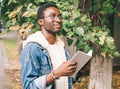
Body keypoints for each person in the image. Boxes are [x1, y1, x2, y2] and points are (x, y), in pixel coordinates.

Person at [20, 2, 78, 89]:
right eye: (52, 16)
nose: (58, 20)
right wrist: (55, 74)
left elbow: (66, 79)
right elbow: (28, 86)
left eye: (59, 16)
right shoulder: (32, 47)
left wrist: (79, 72)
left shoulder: (60, 45)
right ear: (41, 21)